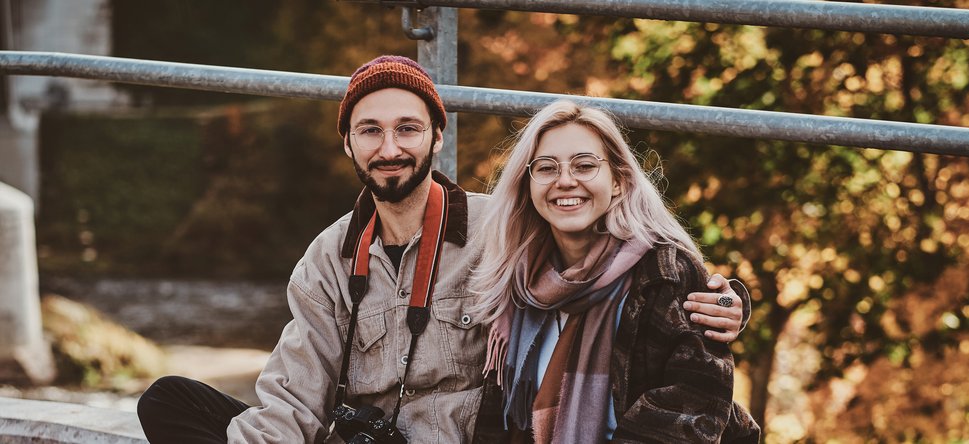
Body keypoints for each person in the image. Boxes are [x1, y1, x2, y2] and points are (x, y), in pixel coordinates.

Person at [136, 56, 749, 444]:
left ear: (436, 134)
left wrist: (728, 298)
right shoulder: (327, 257)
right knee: (169, 400)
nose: (389, 147)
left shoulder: (503, 229)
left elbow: (607, 265)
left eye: (407, 127)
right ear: (347, 144)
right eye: (370, 130)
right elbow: (295, 392)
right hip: (357, 438)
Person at [471, 100, 760, 443]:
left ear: (619, 181)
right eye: (547, 168)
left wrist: (734, 301)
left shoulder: (664, 274)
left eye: (584, 165)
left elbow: (691, 410)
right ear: (527, 183)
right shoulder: (516, 282)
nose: (565, 181)